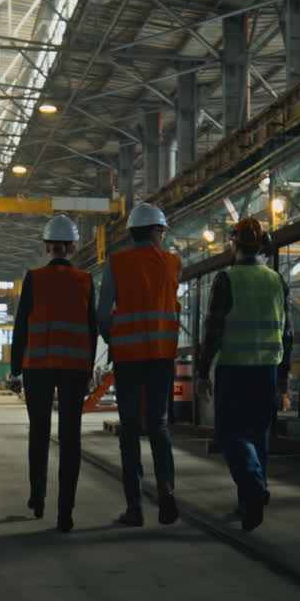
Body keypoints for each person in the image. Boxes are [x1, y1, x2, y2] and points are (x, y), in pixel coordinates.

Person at [195, 217, 292, 531]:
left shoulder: (227, 279)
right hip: (267, 370)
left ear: (233, 244)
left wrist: (201, 371)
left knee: (230, 433)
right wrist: (283, 379)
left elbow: (213, 329)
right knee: (257, 436)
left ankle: (252, 486)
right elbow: (287, 334)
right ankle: (249, 501)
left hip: (235, 368)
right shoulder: (276, 280)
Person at [9, 215, 98, 533]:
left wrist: (15, 369)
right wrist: (89, 370)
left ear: (47, 247)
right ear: (72, 247)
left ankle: (38, 496)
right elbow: (91, 329)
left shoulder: (33, 278)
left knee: (39, 433)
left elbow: (21, 325)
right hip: (74, 369)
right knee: (70, 438)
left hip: (38, 368)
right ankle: (66, 512)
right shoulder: (86, 280)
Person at [97, 203, 182, 527]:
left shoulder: (116, 263)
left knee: (130, 429)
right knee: (158, 426)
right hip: (161, 355)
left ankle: (134, 507)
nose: (163, 237)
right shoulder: (172, 263)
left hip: (129, 358)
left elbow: (103, 314)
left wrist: (115, 340)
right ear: (155, 231)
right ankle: (166, 488)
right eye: (162, 231)